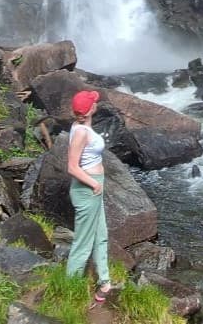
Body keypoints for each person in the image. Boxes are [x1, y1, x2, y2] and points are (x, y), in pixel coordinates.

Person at [65, 89, 112, 303]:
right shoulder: (81, 132)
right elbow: (72, 167)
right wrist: (94, 184)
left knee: (101, 235)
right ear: (91, 109)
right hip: (87, 190)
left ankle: (105, 282)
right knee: (83, 241)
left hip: (93, 188)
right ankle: (70, 289)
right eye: (93, 101)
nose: (96, 102)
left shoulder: (81, 126)